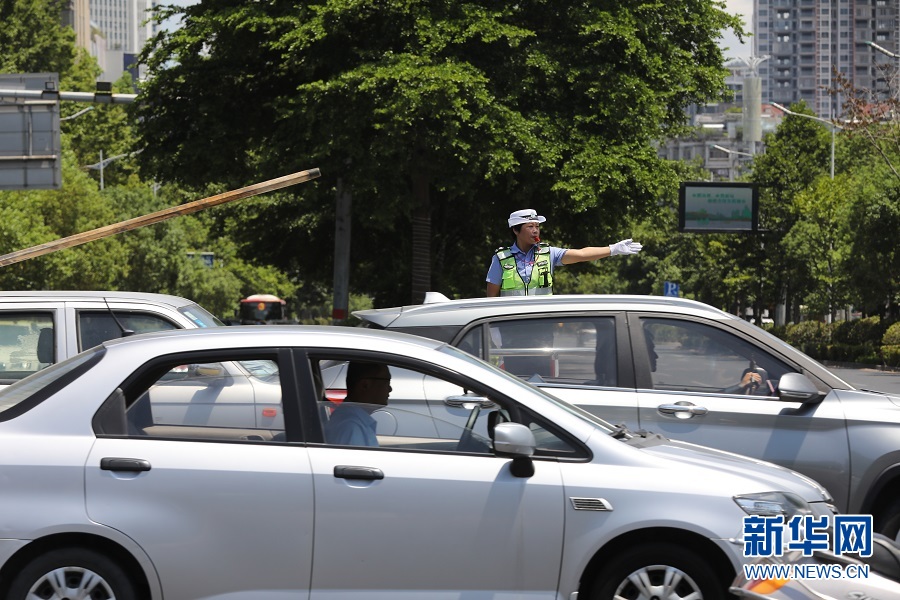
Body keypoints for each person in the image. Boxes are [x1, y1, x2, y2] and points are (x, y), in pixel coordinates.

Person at [485, 209, 643, 297]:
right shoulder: (501, 258)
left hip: (543, 325)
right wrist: (494, 330)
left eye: (537, 227)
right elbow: (491, 296)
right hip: (510, 326)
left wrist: (612, 249)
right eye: (530, 227)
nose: (535, 231)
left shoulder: (548, 253)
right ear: (515, 230)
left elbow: (581, 254)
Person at [324, 362, 392, 447]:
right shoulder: (351, 427)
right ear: (365, 385)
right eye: (387, 382)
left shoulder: (354, 422)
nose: (390, 389)